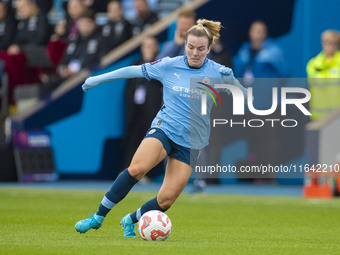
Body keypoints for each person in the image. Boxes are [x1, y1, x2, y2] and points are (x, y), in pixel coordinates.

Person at [74, 19, 247, 237]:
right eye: (191, 47)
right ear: (185, 45)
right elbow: (132, 70)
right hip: (165, 128)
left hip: (191, 142)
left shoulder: (218, 72)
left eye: (201, 49)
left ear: (209, 49)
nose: (195, 52)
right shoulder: (169, 65)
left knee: (165, 200)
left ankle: (130, 218)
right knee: (136, 169)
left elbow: (244, 98)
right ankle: (98, 217)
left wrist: (235, 85)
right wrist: (97, 79)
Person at [233, 21, 287, 181]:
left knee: (269, 139)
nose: (257, 34)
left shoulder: (274, 51)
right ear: (250, 33)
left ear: (265, 34)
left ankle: (269, 174)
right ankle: (256, 174)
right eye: (255, 31)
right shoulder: (244, 51)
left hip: (269, 104)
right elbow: (239, 73)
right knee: (253, 140)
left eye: (260, 31)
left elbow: (284, 72)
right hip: (249, 105)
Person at [123, 36, 163, 170]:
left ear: (156, 48)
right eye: (146, 46)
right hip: (135, 109)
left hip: (152, 110)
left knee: (149, 140)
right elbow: (128, 88)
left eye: (151, 46)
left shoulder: (160, 65)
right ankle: (128, 169)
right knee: (132, 138)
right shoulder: (135, 65)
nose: (148, 49)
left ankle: (147, 172)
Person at [306, 29, 340, 120]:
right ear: (322, 43)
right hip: (318, 116)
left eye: (334, 43)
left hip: (337, 117)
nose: (330, 45)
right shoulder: (313, 64)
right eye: (327, 42)